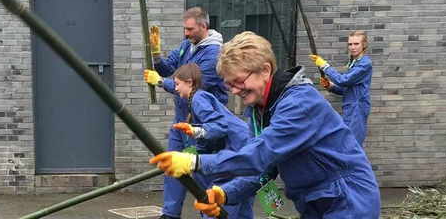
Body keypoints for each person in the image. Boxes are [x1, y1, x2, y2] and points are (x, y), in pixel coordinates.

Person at [149, 32, 381, 219]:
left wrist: (193, 162)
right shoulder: (260, 112)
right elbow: (262, 171)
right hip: (315, 203)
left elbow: (259, 155)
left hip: (348, 200)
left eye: (239, 81)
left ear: (266, 70)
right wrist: (224, 194)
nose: (236, 91)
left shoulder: (300, 103)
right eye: (230, 85)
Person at [143, 7, 227, 219]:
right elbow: (167, 68)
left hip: (201, 125)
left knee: (201, 172)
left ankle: (212, 213)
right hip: (181, 120)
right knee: (172, 168)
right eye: (185, 29)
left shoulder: (214, 53)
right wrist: (155, 54)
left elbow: (197, 87)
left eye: (190, 29)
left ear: (203, 26)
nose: (186, 33)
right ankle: (170, 214)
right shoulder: (186, 46)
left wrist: (161, 83)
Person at [171, 63, 256, 219]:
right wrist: (193, 160)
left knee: (220, 194)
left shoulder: (198, 99)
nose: (175, 89)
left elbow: (219, 126)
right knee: (242, 194)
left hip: (238, 146)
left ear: (189, 82)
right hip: (244, 143)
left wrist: (196, 131)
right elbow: (207, 142)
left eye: (177, 84)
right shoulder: (196, 101)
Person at [312, 30, 373, 146]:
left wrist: (325, 66)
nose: (352, 47)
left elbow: (344, 81)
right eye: (350, 44)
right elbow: (346, 90)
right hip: (350, 108)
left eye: (356, 44)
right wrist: (330, 86)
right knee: (346, 145)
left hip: (357, 109)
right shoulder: (353, 63)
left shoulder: (365, 64)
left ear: (364, 44)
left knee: (351, 146)